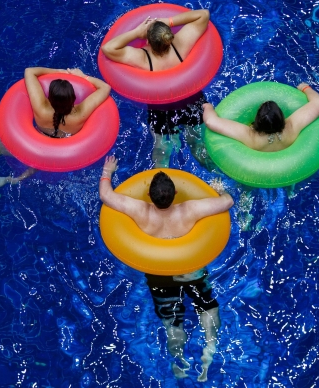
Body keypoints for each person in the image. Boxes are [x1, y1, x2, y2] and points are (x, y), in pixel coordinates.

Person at [98, 155, 234, 380]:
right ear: (176, 194)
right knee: (207, 304)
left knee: (172, 321)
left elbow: (106, 195)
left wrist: (107, 171)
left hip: (160, 274)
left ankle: (180, 363)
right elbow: (227, 202)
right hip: (191, 268)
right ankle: (209, 350)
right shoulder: (189, 209)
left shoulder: (140, 210)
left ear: (149, 197)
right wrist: (218, 188)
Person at [0, 67, 110, 200]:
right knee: (43, 156)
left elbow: (29, 71)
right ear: (73, 99)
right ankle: (13, 179)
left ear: (49, 98)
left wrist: (61, 71)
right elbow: (105, 87)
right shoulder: (81, 112)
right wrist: (83, 76)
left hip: (37, 148)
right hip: (62, 154)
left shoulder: (41, 107)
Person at [101, 9, 212, 168]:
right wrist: (169, 21)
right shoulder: (180, 45)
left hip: (161, 109)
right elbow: (204, 14)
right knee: (197, 144)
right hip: (191, 101)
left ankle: (160, 180)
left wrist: (136, 33)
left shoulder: (144, 58)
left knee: (161, 147)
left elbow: (108, 48)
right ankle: (217, 176)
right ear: (169, 36)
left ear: (148, 42)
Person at [202, 83, 319, 152]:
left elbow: (210, 121)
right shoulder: (291, 127)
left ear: (257, 121)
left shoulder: (250, 136)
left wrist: (208, 107)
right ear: (282, 118)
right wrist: (305, 88)